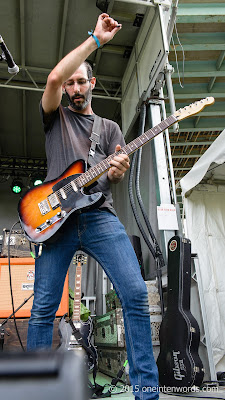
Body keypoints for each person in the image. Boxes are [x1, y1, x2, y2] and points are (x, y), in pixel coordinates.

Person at [27, 13, 159, 400]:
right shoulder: (55, 119)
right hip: (56, 222)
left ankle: (147, 392)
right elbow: (52, 78)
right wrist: (95, 40)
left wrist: (117, 173)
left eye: (82, 80)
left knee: (134, 295)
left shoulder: (111, 129)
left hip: (100, 216)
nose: (75, 87)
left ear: (93, 83)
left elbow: (112, 179)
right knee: (43, 310)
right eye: (71, 82)